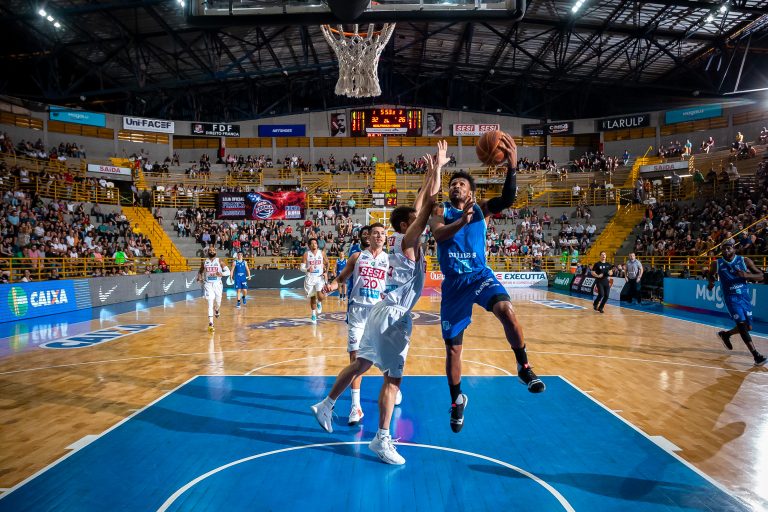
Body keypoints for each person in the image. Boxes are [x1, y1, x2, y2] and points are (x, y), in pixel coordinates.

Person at [311, 141, 443, 465]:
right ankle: (381, 439)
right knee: (392, 380)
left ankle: (326, 405)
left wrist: (431, 173)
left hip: (380, 310)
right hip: (393, 315)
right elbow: (427, 205)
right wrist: (437, 172)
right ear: (406, 225)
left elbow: (420, 202)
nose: (420, 221)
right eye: (415, 220)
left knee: (362, 363)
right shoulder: (408, 240)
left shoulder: (400, 237)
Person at [427, 134, 545, 435]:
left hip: (479, 276)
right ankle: (457, 400)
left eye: (462, 184)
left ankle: (523, 367)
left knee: (506, 310)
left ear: (471, 191)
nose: (456, 186)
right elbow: (438, 235)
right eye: (453, 183)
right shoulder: (441, 211)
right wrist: (461, 222)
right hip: (454, 284)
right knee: (453, 350)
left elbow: (507, 200)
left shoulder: (480, 209)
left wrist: (512, 167)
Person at [323, 223, 389, 426]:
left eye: (382, 234)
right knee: (356, 359)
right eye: (375, 233)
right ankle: (356, 407)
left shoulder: (390, 260)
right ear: (368, 237)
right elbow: (342, 278)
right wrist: (331, 286)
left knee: (385, 357)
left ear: (385, 238)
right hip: (358, 312)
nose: (379, 236)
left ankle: (393, 387)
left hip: (379, 312)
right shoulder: (357, 257)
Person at [708, 239, 766, 366]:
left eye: (728, 248)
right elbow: (711, 274)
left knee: (748, 327)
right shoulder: (716, 263)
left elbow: (761, 276)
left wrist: (746, 275)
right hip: (730, 298)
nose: (726, 250)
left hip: (744, 297)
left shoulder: (744, 261)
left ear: (734, 248)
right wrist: (711, 282)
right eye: (723, 248)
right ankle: (756, 356)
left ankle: (725, 335)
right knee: (741, 325)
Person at [198, 247, 225, 332]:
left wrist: (221, 274)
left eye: (213, 250)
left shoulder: (219, 261)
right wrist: (199, 277)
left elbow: (227, 271)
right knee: (210, 303)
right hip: (208, 284)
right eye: (210, 250)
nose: (212, 251)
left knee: (218, 302)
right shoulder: (204, 262)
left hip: (218, 284)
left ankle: (217, 309)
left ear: (215, 252)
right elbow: (200, 271)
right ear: (208, 252)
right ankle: (211, 323)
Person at [302, 238, 328, 323]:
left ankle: (319, 302)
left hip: (319, 277)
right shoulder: (306, 254)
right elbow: (301, 268)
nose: (314, 245)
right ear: (309, 246)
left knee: (321, 296)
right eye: (312, 243)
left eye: (315, 243)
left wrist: (326, 272)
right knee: (312, 297)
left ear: (317, 245)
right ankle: (313, 314)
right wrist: (307, 269)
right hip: (310, 278)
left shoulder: (322, 253)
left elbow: (327, 263)